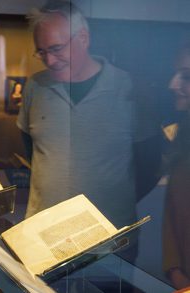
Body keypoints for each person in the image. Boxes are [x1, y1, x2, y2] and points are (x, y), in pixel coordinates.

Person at [17, 0, 160, 230]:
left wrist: (111, 203)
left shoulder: (128, 88)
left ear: (83, 38)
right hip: (43, 235)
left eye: (56, 49)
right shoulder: (35, 86)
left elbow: (152, 165)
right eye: (41, 52)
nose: (50, 61)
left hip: (109, 240)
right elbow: (32, 151)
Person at [162, 44, 190, 290]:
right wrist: (175, 270)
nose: (173, 84)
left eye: (186, 76)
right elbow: (173, 207)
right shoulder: (183, 136)